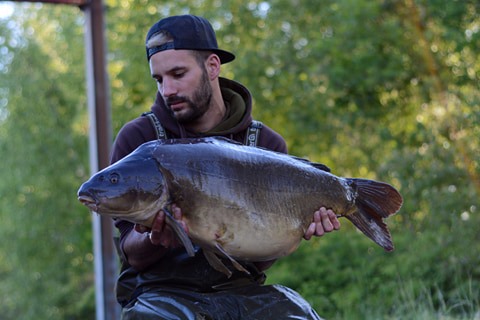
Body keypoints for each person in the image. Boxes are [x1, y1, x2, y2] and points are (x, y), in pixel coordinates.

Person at [110, 14, 340, 319]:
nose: (167, 90)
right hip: (160, 292)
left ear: (212, 66)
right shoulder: (139, 139)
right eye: (159, 79)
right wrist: (155, 239)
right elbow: (130, 251)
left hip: (240, 290)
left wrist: (299, 226)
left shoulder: (265, 145)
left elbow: (258, 262)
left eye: (178, 74)